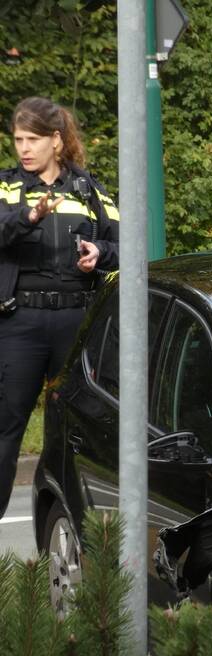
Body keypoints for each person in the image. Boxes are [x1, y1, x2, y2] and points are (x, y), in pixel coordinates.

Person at [0, 96, 119, 517]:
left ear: (56, 140)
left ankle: (71, 529)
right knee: (6, 431)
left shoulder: (88, 189)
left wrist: (98, 252)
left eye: (33, 139)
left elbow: (125, 248)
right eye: (18, 139)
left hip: (74, 321)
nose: (24, 149)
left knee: (73, 431)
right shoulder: (7, 187)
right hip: (20, 323)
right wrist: (27, 219)